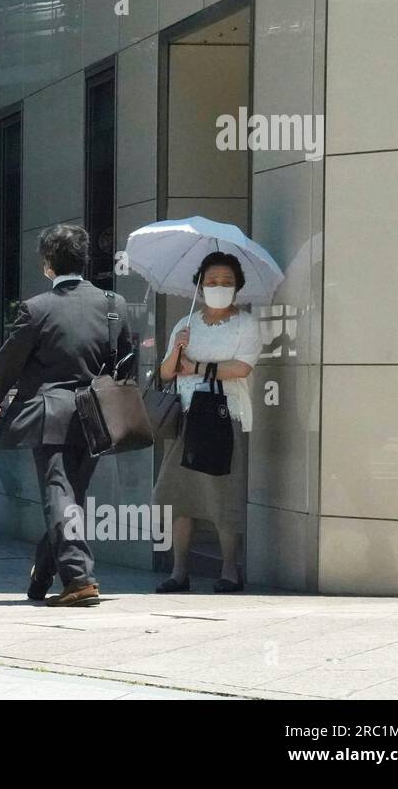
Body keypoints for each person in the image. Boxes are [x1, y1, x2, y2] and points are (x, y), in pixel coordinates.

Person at [0, 224, 133, 607]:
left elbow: (8, 361)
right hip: (97, 416)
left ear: (47, 263)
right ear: (85, 259)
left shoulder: (36, 309)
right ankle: (42, 575)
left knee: (59, 495)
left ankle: (80, 579)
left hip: (51, 413)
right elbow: (127, 364)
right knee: (70, 496)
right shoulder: (113, 305)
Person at [152, 252, 263, 594]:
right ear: (199, 287)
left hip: (225, 417)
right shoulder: (185, 325)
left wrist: (199, 368)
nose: (219, 288)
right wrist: (178, 350)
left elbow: (242, 368)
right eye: (212, 282)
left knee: (223, 495)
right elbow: (166, 372)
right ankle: (179, 571)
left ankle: (230, 570)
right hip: (187, 417)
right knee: (178, 493)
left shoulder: (246, 324)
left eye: (226, 283)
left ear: (238, 288)